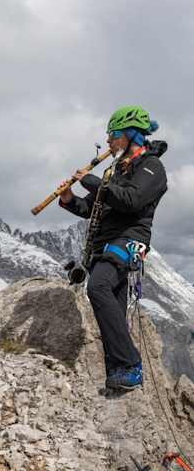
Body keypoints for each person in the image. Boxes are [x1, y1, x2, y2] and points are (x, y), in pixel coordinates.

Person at [58, 105, 168, 391]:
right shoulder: (116, 170)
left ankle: (130, 364)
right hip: (104, 243)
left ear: (132, 135)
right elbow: (95, 208)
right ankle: (118, 373)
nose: (108, 141)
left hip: (129, 240)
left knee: (98, 287)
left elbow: (132, 201)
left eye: (114, 134)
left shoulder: (151, 167)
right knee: (113, 309)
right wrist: (70, 199)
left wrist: (93, 182)